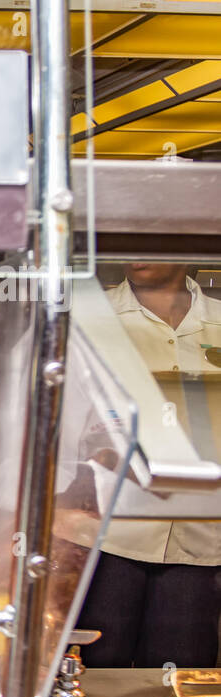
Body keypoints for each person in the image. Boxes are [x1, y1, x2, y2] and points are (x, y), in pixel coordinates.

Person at [77, 263, 221, 668]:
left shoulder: (218, 322)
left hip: (199, 542)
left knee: (181, 676)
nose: (138, 252)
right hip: (109, 536)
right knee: (97, 671)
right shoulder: (91, 319)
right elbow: (61, 419)